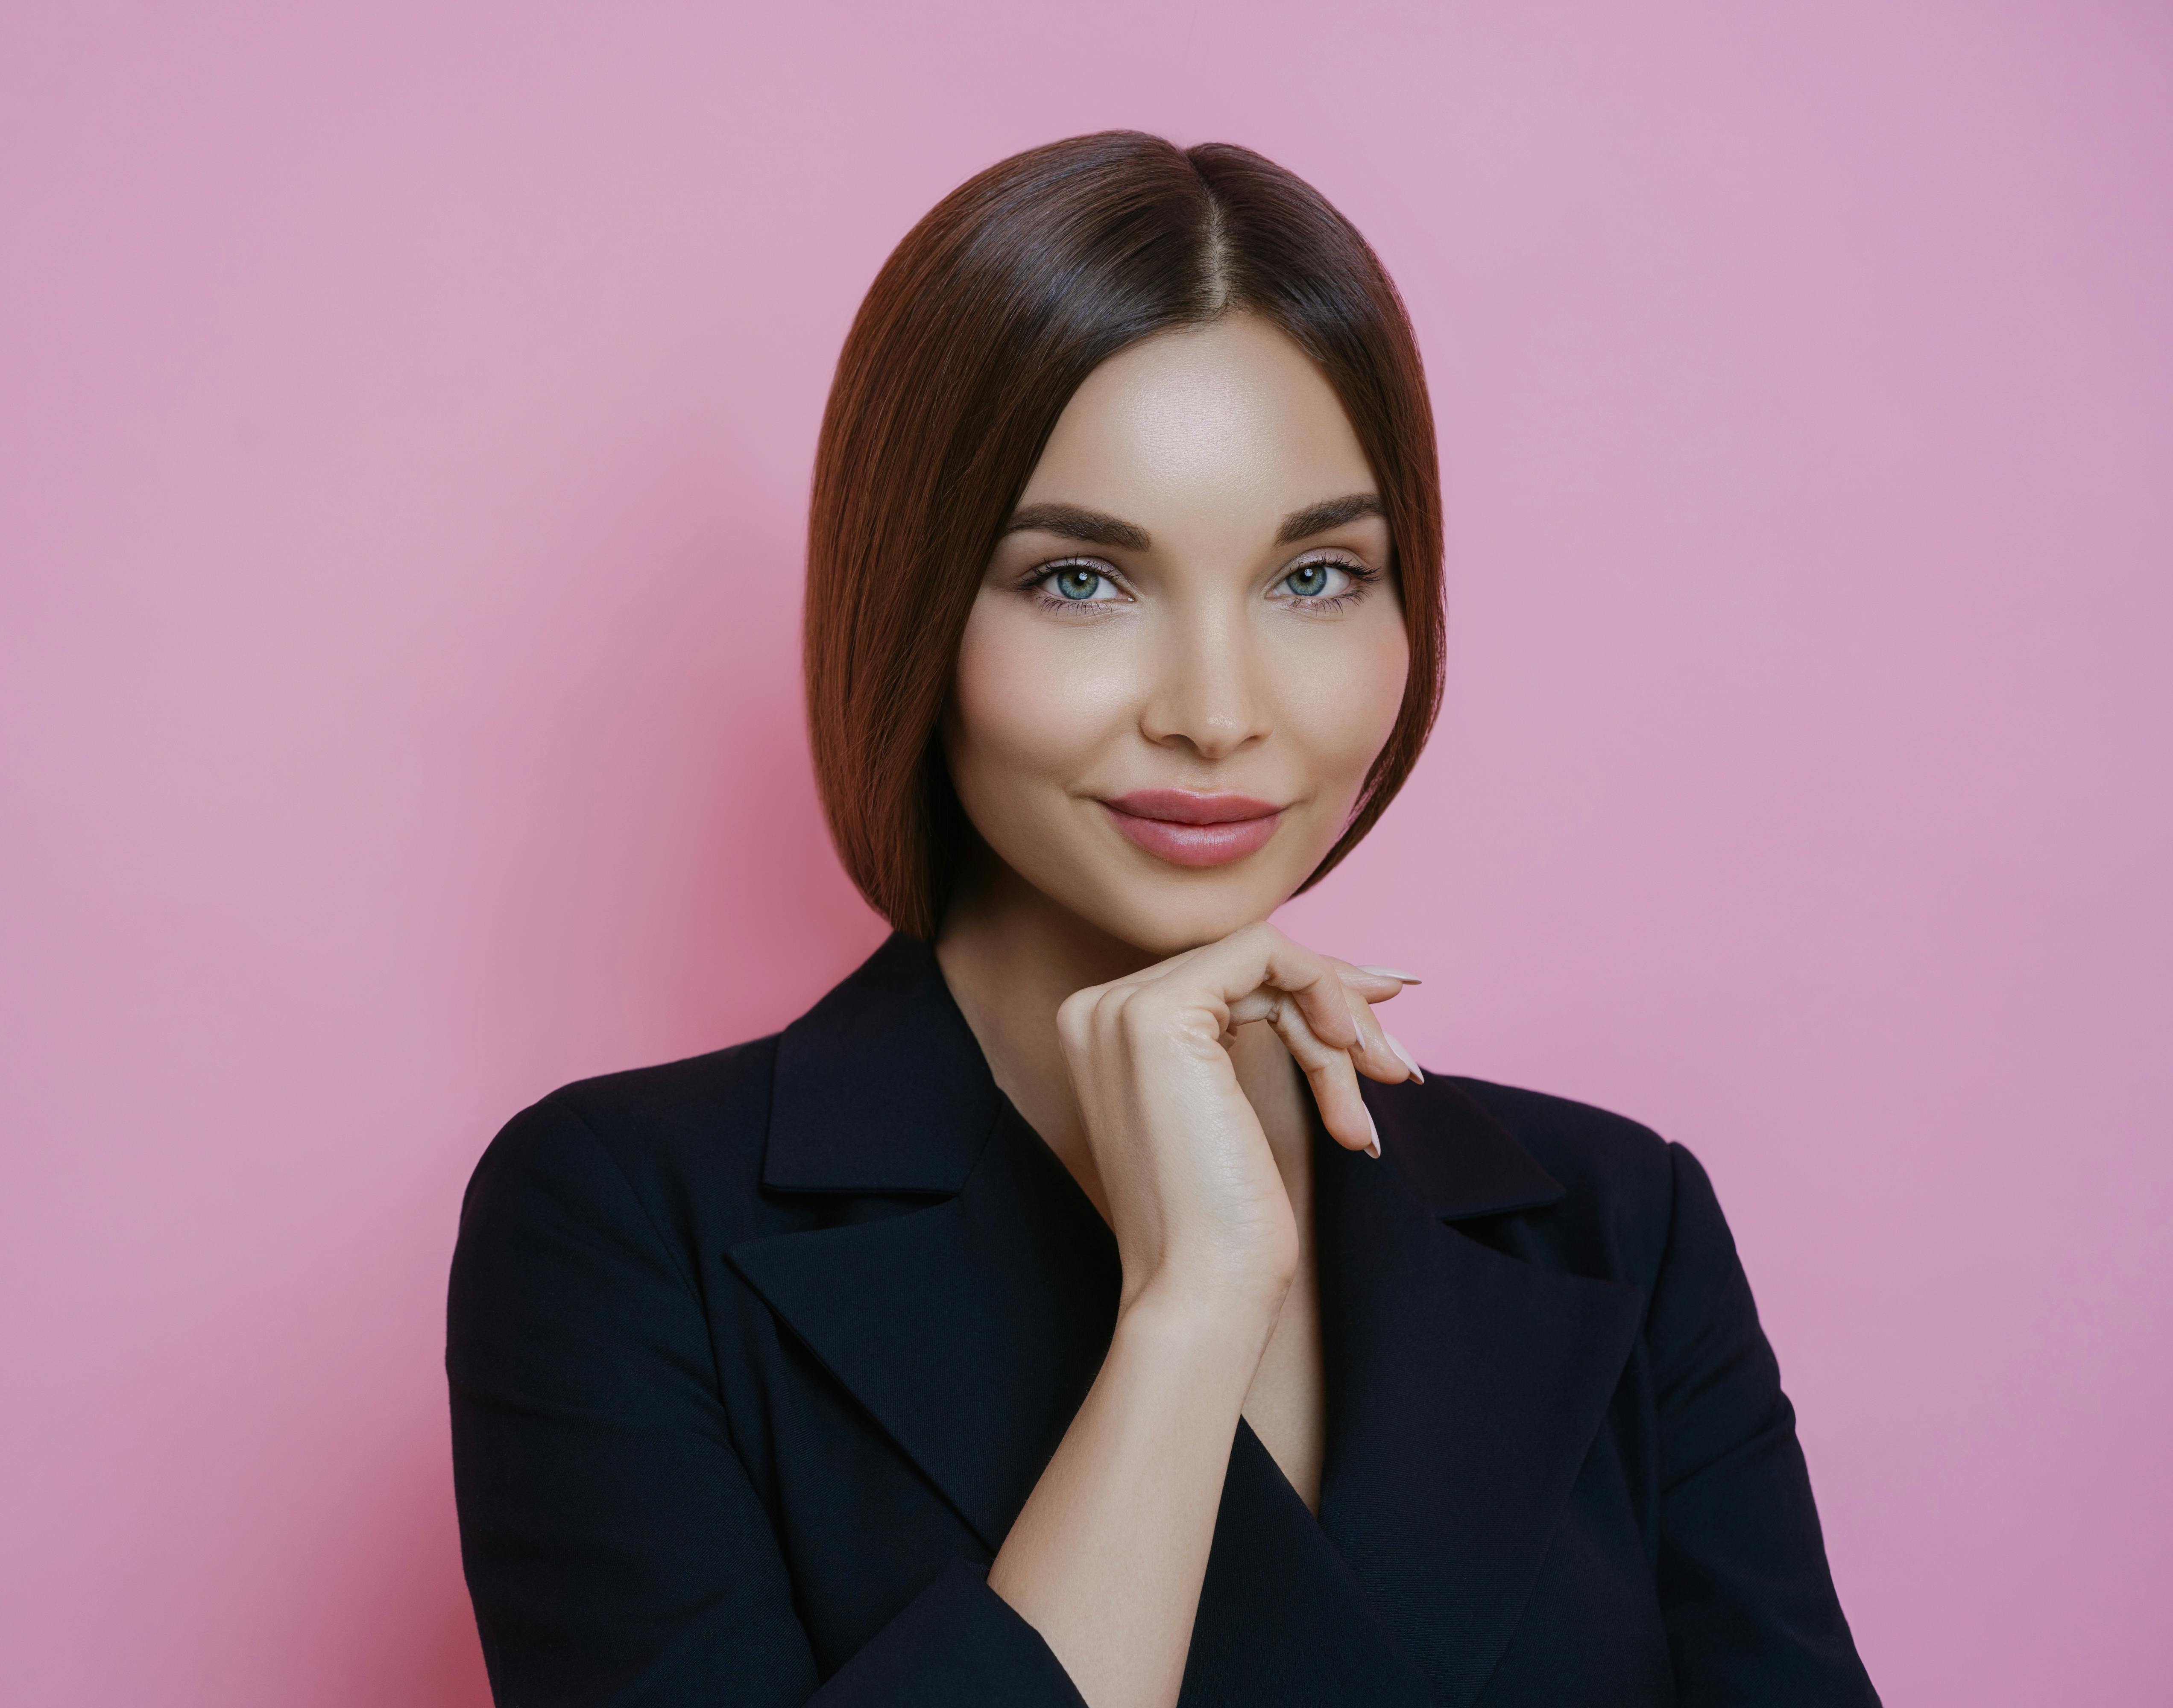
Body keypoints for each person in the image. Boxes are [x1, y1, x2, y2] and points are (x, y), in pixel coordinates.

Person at [445, 131, 1876, 1708]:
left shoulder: (1613, 1223)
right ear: (913, 604)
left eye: (1319, 575)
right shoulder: (627, 1225)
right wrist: (1187, 1318)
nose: (1218, 712)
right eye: (1080, 581)